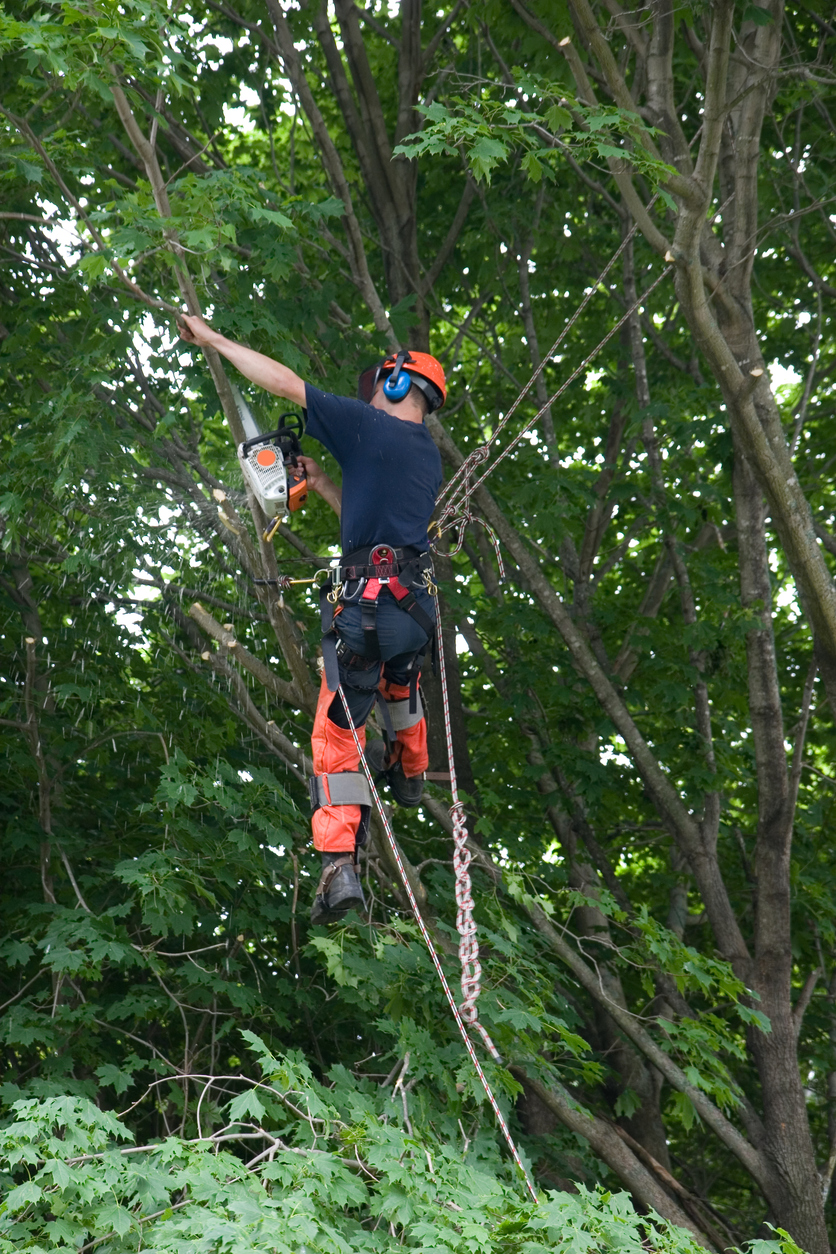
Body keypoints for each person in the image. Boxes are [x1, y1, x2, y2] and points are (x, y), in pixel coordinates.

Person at [178, 316, 445, 925]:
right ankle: (411, 772)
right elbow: (374, 524)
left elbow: (284, 384)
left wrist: (216, 340)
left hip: (364, 615)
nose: (367, 396)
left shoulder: (366, 423)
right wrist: (323, 482)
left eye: (377, 385)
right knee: (398, 681)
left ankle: (338, 864)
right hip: (409, 609)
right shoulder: (421, 455)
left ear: (399, 384)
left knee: (336, 741)